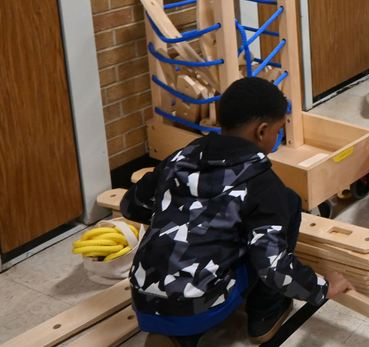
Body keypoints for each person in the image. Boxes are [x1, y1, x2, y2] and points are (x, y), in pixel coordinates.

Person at [121, 77, 352, 346]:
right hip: (199, 304)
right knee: (288, 202)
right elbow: (274, 268)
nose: (278, 137)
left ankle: (175, 332)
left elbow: (132, 206)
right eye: (278, 130)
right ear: (262, 131)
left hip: (141, 296)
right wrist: (323, 287)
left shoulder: (179, 158)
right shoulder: (263, 185)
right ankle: (265, 314)